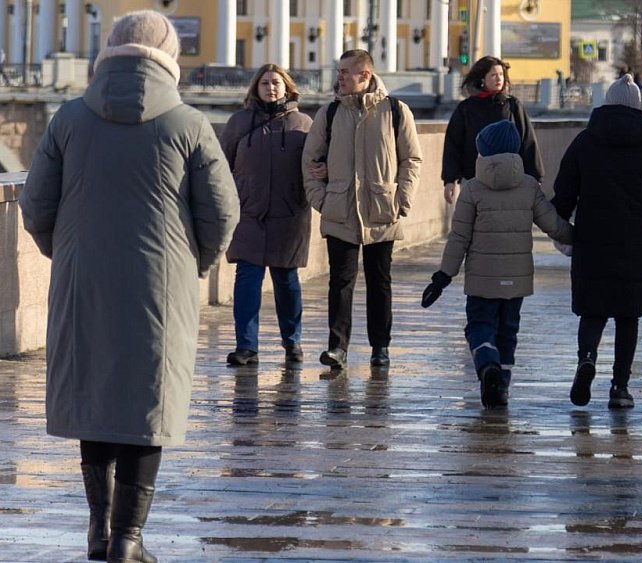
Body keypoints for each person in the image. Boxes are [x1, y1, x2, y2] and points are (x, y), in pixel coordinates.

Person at [18, 10, 238, 561]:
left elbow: (35, 204)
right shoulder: (188, 123)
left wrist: (67, 253)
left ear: (109, 52)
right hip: (161, 284)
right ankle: (128, 539)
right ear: (169, 58)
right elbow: (222, 212)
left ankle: (98, 531)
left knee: (95, 397)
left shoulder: (69, 118)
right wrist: (195, 264)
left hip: (83, 280)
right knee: (148, 403)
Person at [421, 120, 573, 408]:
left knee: (479, 326)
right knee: (508, 332)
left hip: (482, 279)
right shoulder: (529, 186)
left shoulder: (472, 189)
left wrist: (443, 276)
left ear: (484, 153)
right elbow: (554, 225)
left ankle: (487, 362)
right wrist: (584, 240)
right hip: (517, 280)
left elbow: (459, 238)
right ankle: (501, 387)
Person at [552, 74, 642, 409]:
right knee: (628, 315)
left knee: (592, 310)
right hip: (637, 243)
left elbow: (564, 191)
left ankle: (587, 358)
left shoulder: (584, 142)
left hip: (592, 239)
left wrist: (561, 233)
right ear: (638, 105)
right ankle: (620, 387)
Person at [301, 49, 422, 370]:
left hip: (382, 208)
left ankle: (380, 347)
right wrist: (321, 200)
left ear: (365, 75)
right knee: (340, 282)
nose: (339, 77)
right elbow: (310, 159)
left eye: (345, 72)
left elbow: (412, 158)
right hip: (340, 208)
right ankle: (337, 347)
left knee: (380, 281)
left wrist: (402, 198)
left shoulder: (395, 110)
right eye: (339, 71)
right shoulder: (329, 113)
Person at [220, 64, 313, 367]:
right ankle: (246, 346)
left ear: (287, 88)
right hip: (248, 213)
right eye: (264, 83)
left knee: (286, 280)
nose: (271, 88)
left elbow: (317, 165)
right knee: (247, 277)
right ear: (255, 88)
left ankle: (292, 341)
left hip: (289, 214)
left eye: (276, 83)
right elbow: (221, 164)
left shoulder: (303, 124)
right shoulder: (239, 122)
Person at [442, 56, 542, 204]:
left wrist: (535, 177)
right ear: (482, 79)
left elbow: (527, 141)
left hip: (509, 179)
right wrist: (449, 179)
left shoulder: (512, 105)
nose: (499, 79)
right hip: (473, 178)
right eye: (493, 75)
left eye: (501, 74)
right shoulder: (466, 108)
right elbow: (453, 144)